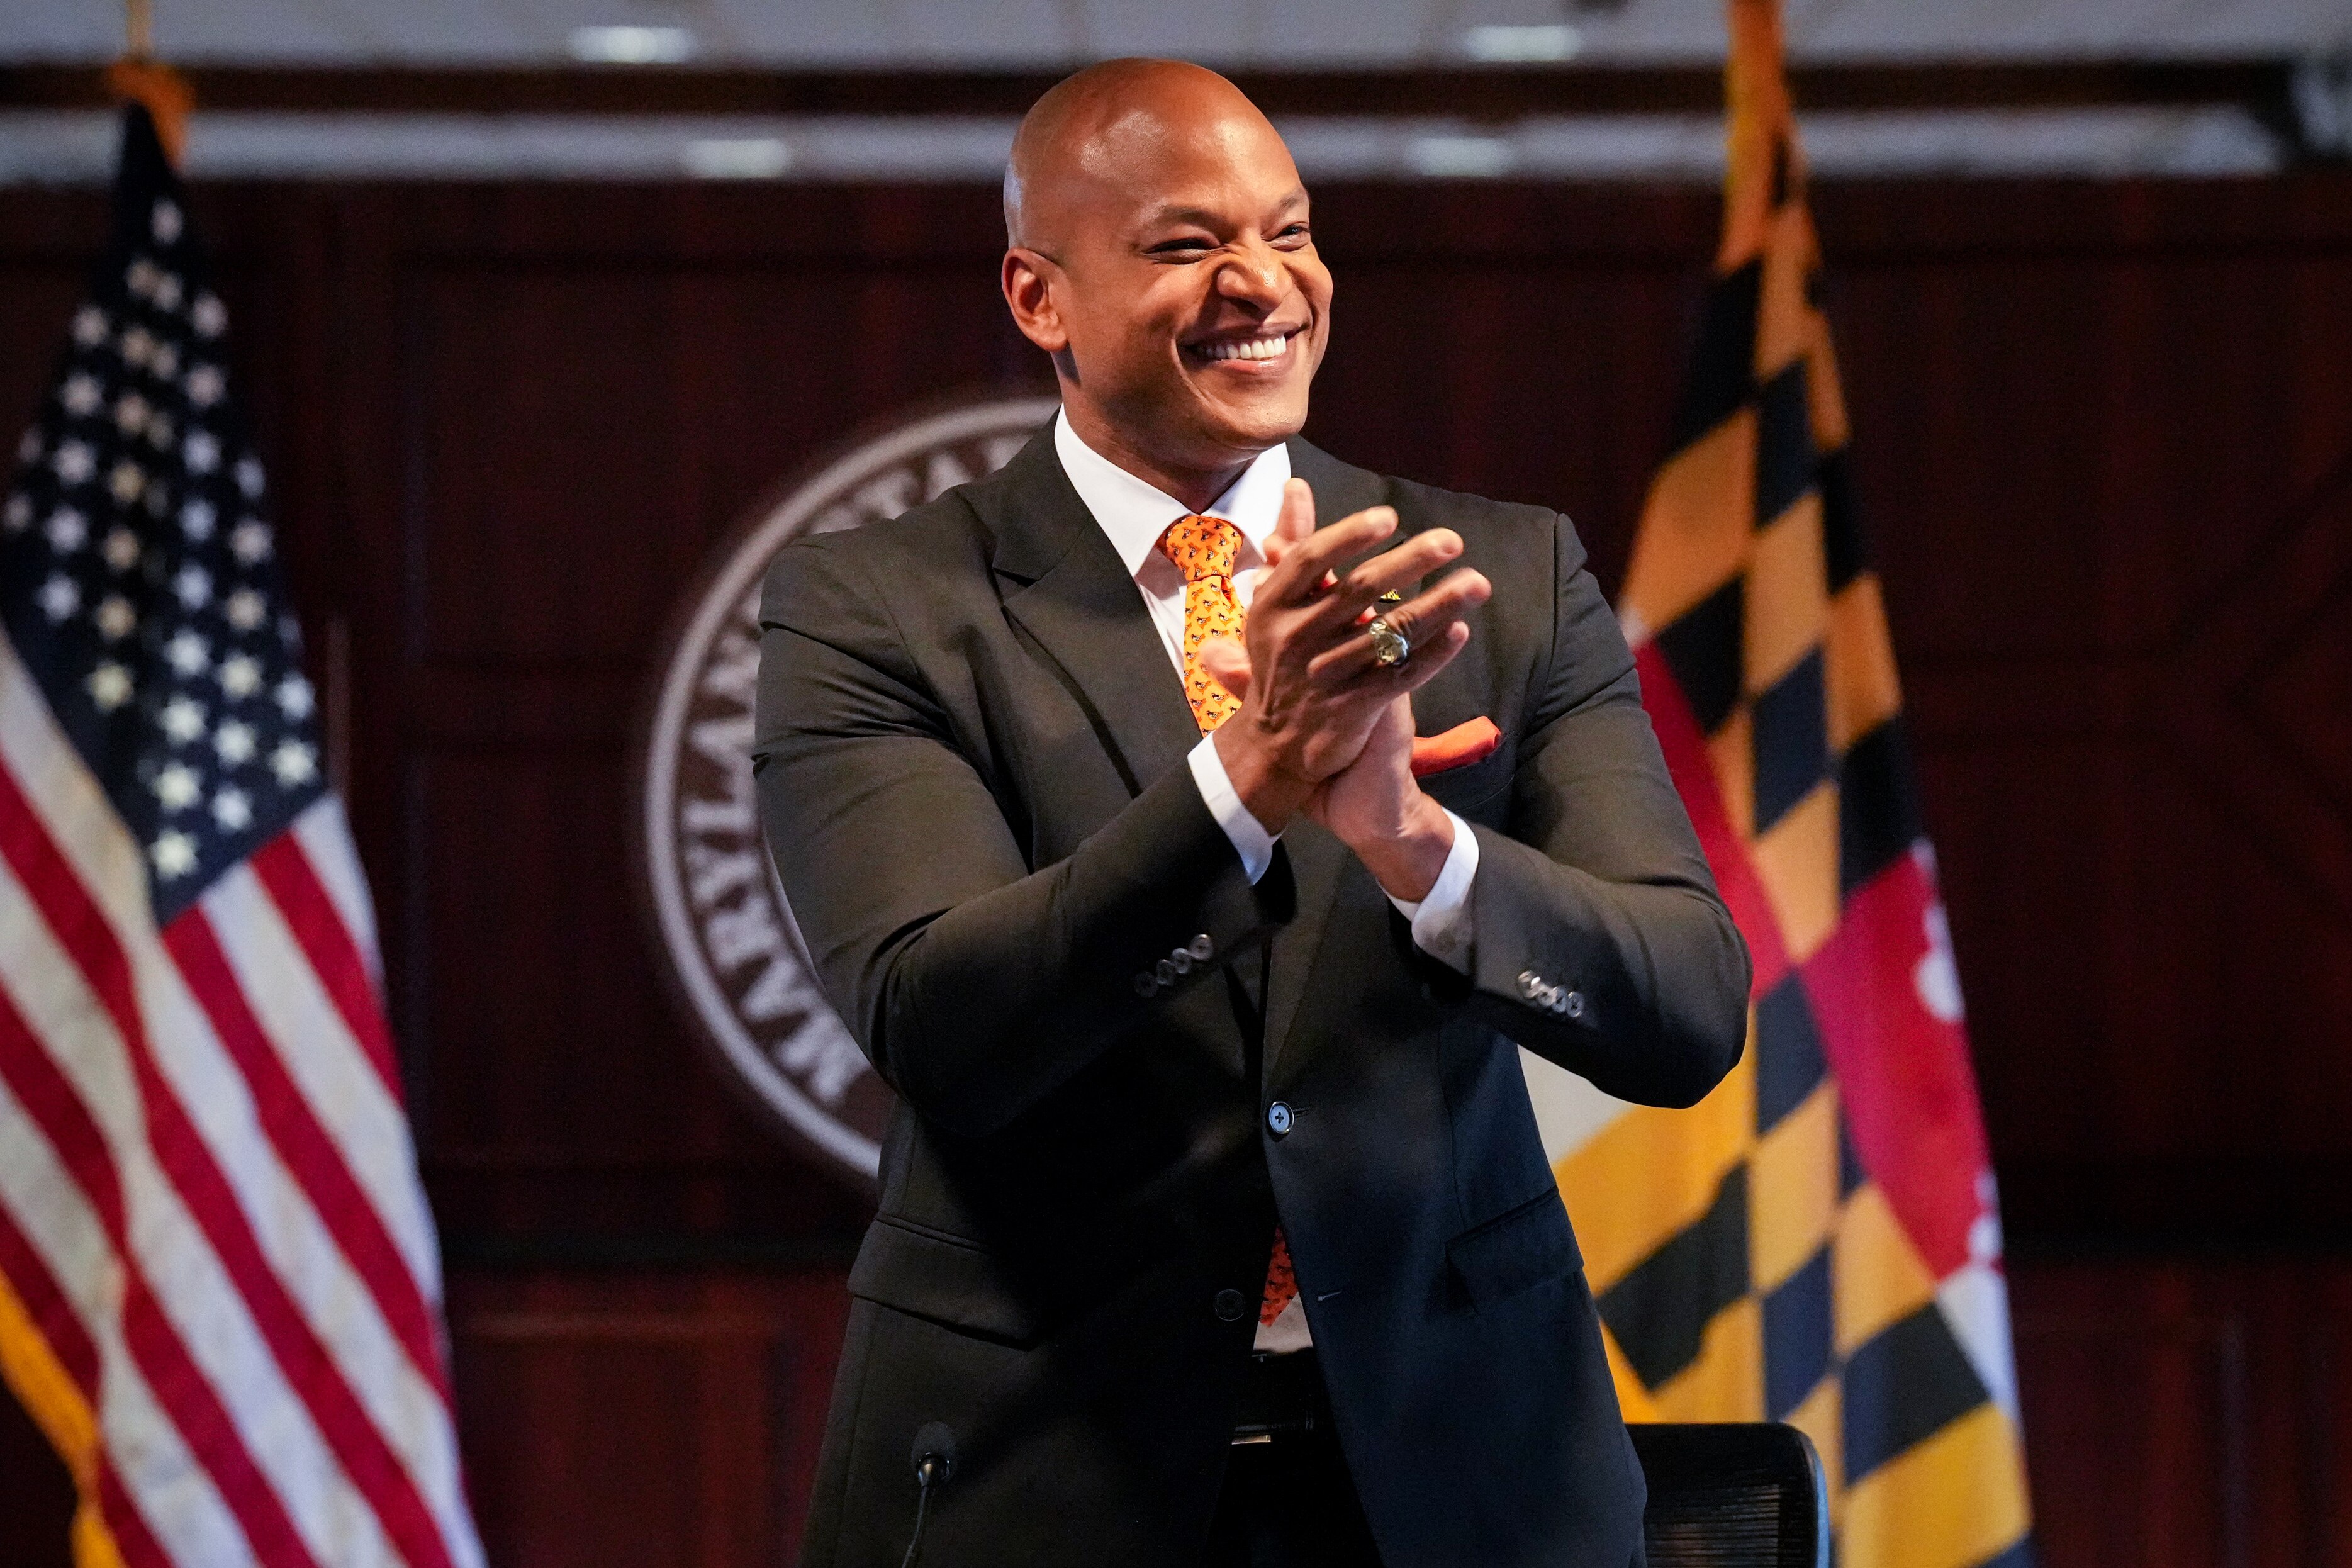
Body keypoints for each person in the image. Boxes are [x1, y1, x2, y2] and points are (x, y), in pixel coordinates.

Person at [753, 57, 1750, 1568]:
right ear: (1040, 298)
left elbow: (1684, 1009)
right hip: (1045, 1471)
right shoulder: (878, 609)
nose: (1260, 283)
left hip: (1463, 1471)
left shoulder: (1507, 573)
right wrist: (1251, 782)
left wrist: (1421, 851)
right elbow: (941, 1020)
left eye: (1289, 231)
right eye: (1182, 245)